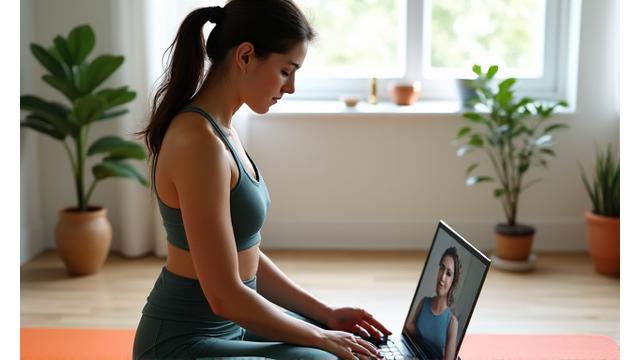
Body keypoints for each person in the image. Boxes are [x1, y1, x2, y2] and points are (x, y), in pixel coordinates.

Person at [132, 1, 391, 359]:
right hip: (182, 342)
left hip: (231, 326)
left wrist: (325, 315)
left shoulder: (221, 130)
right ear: (246, 56)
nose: (291, 87)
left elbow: (244, 253)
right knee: (327, 355)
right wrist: (322, 337)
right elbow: (224, 296)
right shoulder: (198, 142)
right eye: (286, 71)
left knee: (339, 344)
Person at [405, 247, 461, 360]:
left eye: (448, 273)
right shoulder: (423, 302)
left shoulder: (452, 322)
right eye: (441, 268)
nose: (442, 277)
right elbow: (409, 329)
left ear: (453, 282)